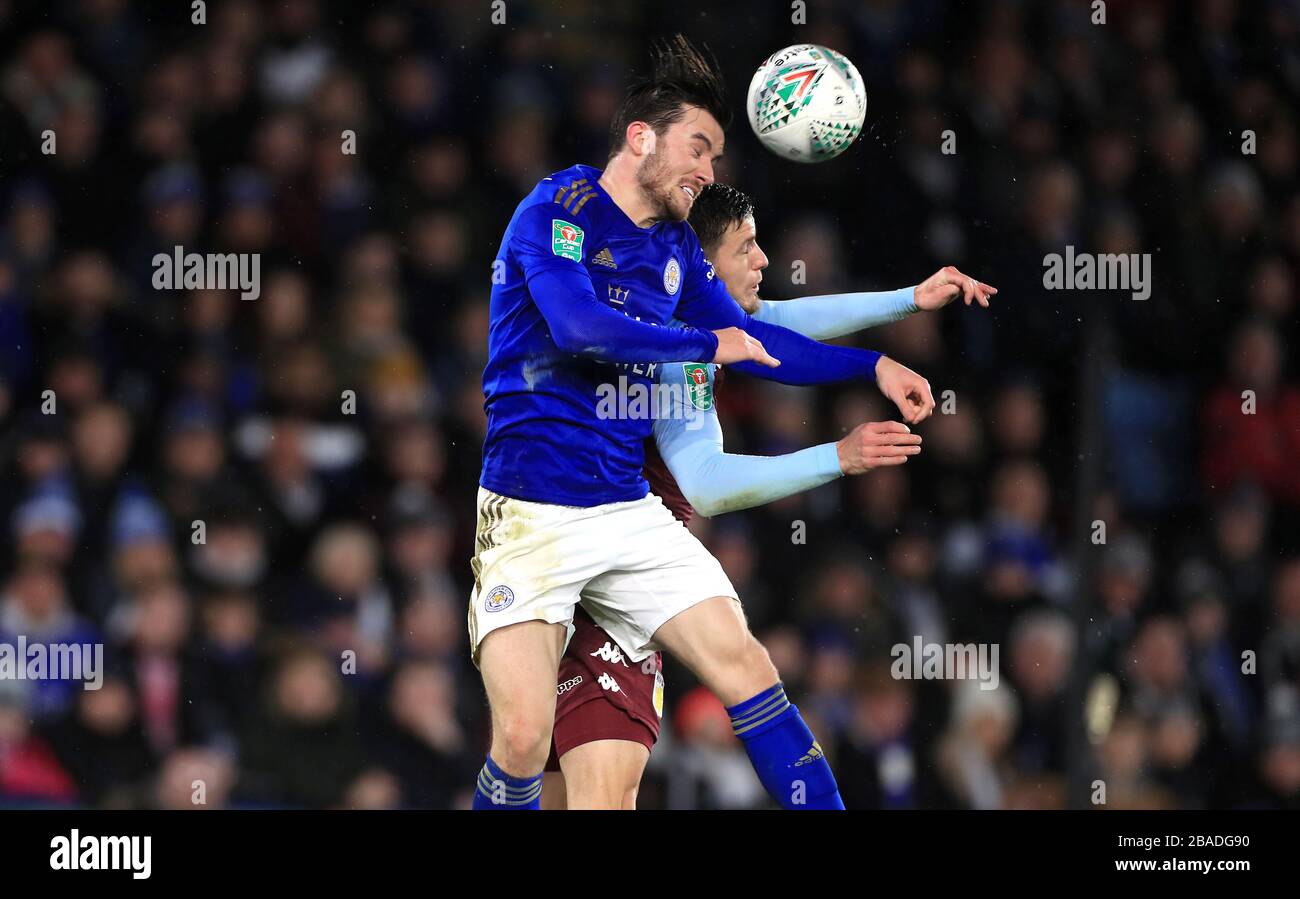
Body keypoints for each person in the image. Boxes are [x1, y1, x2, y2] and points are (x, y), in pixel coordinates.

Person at [470, 34, 936, 811]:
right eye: (699, 148)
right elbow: (578, 326)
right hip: (531, 512)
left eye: (716, 157)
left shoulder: (677, 249)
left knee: (748, 667)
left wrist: (873, 367)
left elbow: (759, 339)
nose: (708, 172)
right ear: (640, 138)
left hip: (624, 509)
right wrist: (703, 342)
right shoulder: (558, 209)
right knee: (521, 740)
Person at [540, 182, 995, 809]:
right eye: (746, 248)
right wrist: (839, 456)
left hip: (586, 566)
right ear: (700, 266)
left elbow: (773, 322)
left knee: (576, 789)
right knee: (630, 770)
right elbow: (705, 482)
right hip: (598, 575)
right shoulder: (673, 352)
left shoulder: (665, 315)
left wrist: (905, 306)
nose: (763, 262)